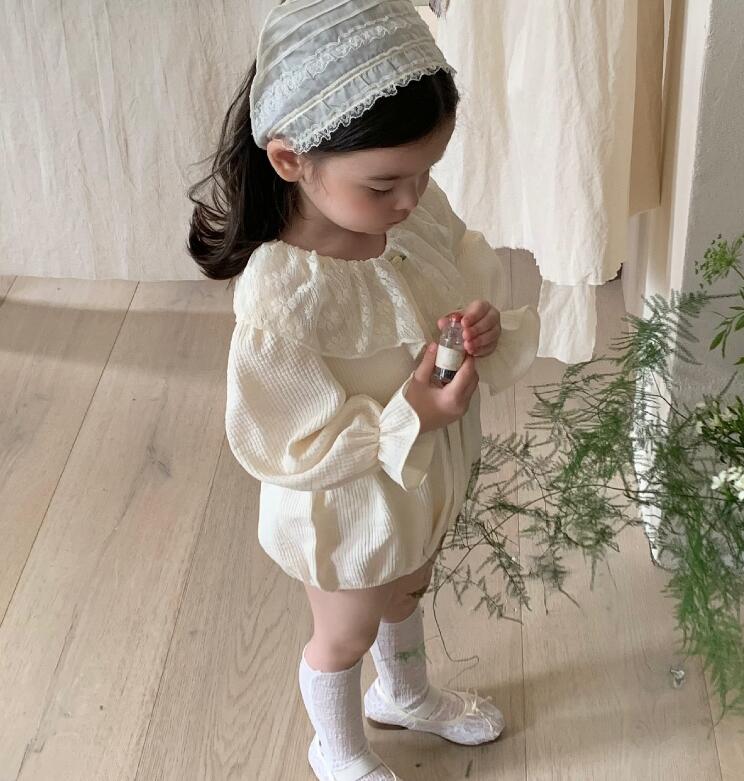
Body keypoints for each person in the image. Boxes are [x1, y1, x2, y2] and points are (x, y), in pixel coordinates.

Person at [187, 2, 540, 779]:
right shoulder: (286, 294)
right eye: (385, 184)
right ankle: (338, 747)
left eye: (425, 173)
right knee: (345, 629)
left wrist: (476, 324)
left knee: (408, 587)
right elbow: (283, 437)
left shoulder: (409, 217)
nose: (411, 199)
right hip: (345, 502)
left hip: (417, 481)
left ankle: (405, 694)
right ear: (291, 160)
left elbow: (452, 274)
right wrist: (411, 413)